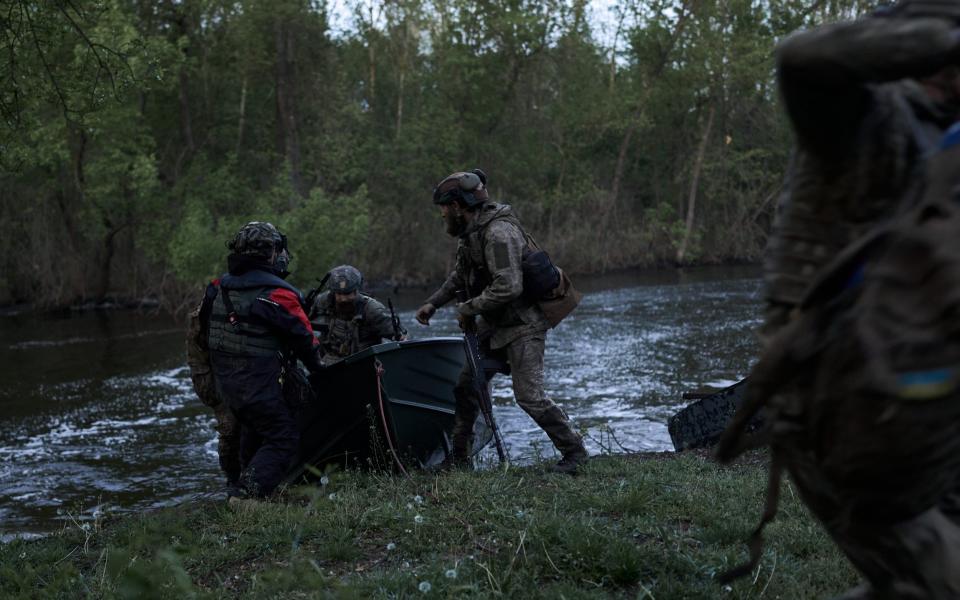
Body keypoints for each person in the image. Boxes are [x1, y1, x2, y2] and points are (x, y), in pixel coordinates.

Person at [720, 4, 960, 598]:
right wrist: (943, 35)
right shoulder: (861, 116)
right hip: (841, 400)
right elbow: (802, 58)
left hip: (929, 393)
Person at [415, 169, 588, 474]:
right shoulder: (471, 233)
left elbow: (509, 286)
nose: (441, 214)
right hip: (494, 325)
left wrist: (468, 309)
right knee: (466, 387)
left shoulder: (498, 233)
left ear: (457, 205)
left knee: (529, 397)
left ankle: (575, 452)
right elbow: (460, 276)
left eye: (443, 206)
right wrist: (433, 302)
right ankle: (460, 458)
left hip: (524, 325)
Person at [199, 221, 324, 502]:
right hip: (258, 383)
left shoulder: (216, 288)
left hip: (226, 385)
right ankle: (246, 495)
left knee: (253, 429)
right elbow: (307, 343)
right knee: (283, 437)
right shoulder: (280, 293)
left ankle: (238, 484)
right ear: (271, 252)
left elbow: (204, 332)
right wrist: (319, 372)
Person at [308, 265, 406, 366]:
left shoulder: (371, 309)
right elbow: (304, 319)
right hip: (330, 362)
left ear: (356, 290)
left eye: (347, 293)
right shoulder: (324, 301)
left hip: (363, 363)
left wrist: (399, 338)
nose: (343, 299)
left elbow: (401, 337)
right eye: (339, 294)